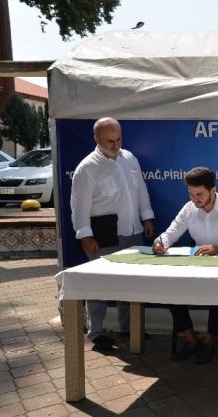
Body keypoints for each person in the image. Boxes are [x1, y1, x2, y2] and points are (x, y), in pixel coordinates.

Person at [152, 166, 218, 364]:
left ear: (213, 190)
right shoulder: (189, 208)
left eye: (200, 194)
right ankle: (191, 339)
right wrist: (160, 243)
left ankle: (209, 340)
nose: (195, 200)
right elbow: (170, 233)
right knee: (170, 287)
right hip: (199, 268)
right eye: (191, 194)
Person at [71, 117, 155, 352]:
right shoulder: (86, 169)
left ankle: (128, 328)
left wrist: (147, 217)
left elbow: (141, 191)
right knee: (98, 285)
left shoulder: (130, 158)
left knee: (131, 283)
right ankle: (96, 332)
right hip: (104, 236)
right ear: (96, 139)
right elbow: (79, 206)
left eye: (118, 139)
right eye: (109, 140)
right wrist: (85, 236)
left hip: (133, 231)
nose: (115, 145)